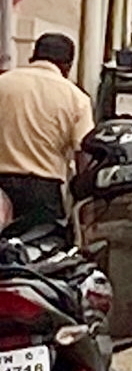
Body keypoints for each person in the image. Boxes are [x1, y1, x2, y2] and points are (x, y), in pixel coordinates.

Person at [0, 33, 94, 227]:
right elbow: (83, 155)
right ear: (67, 66)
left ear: (32, 58)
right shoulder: (76, 99)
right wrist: (85, 198)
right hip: (42, 193)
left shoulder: (3, 84)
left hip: (0, 188)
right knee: (42, 250)